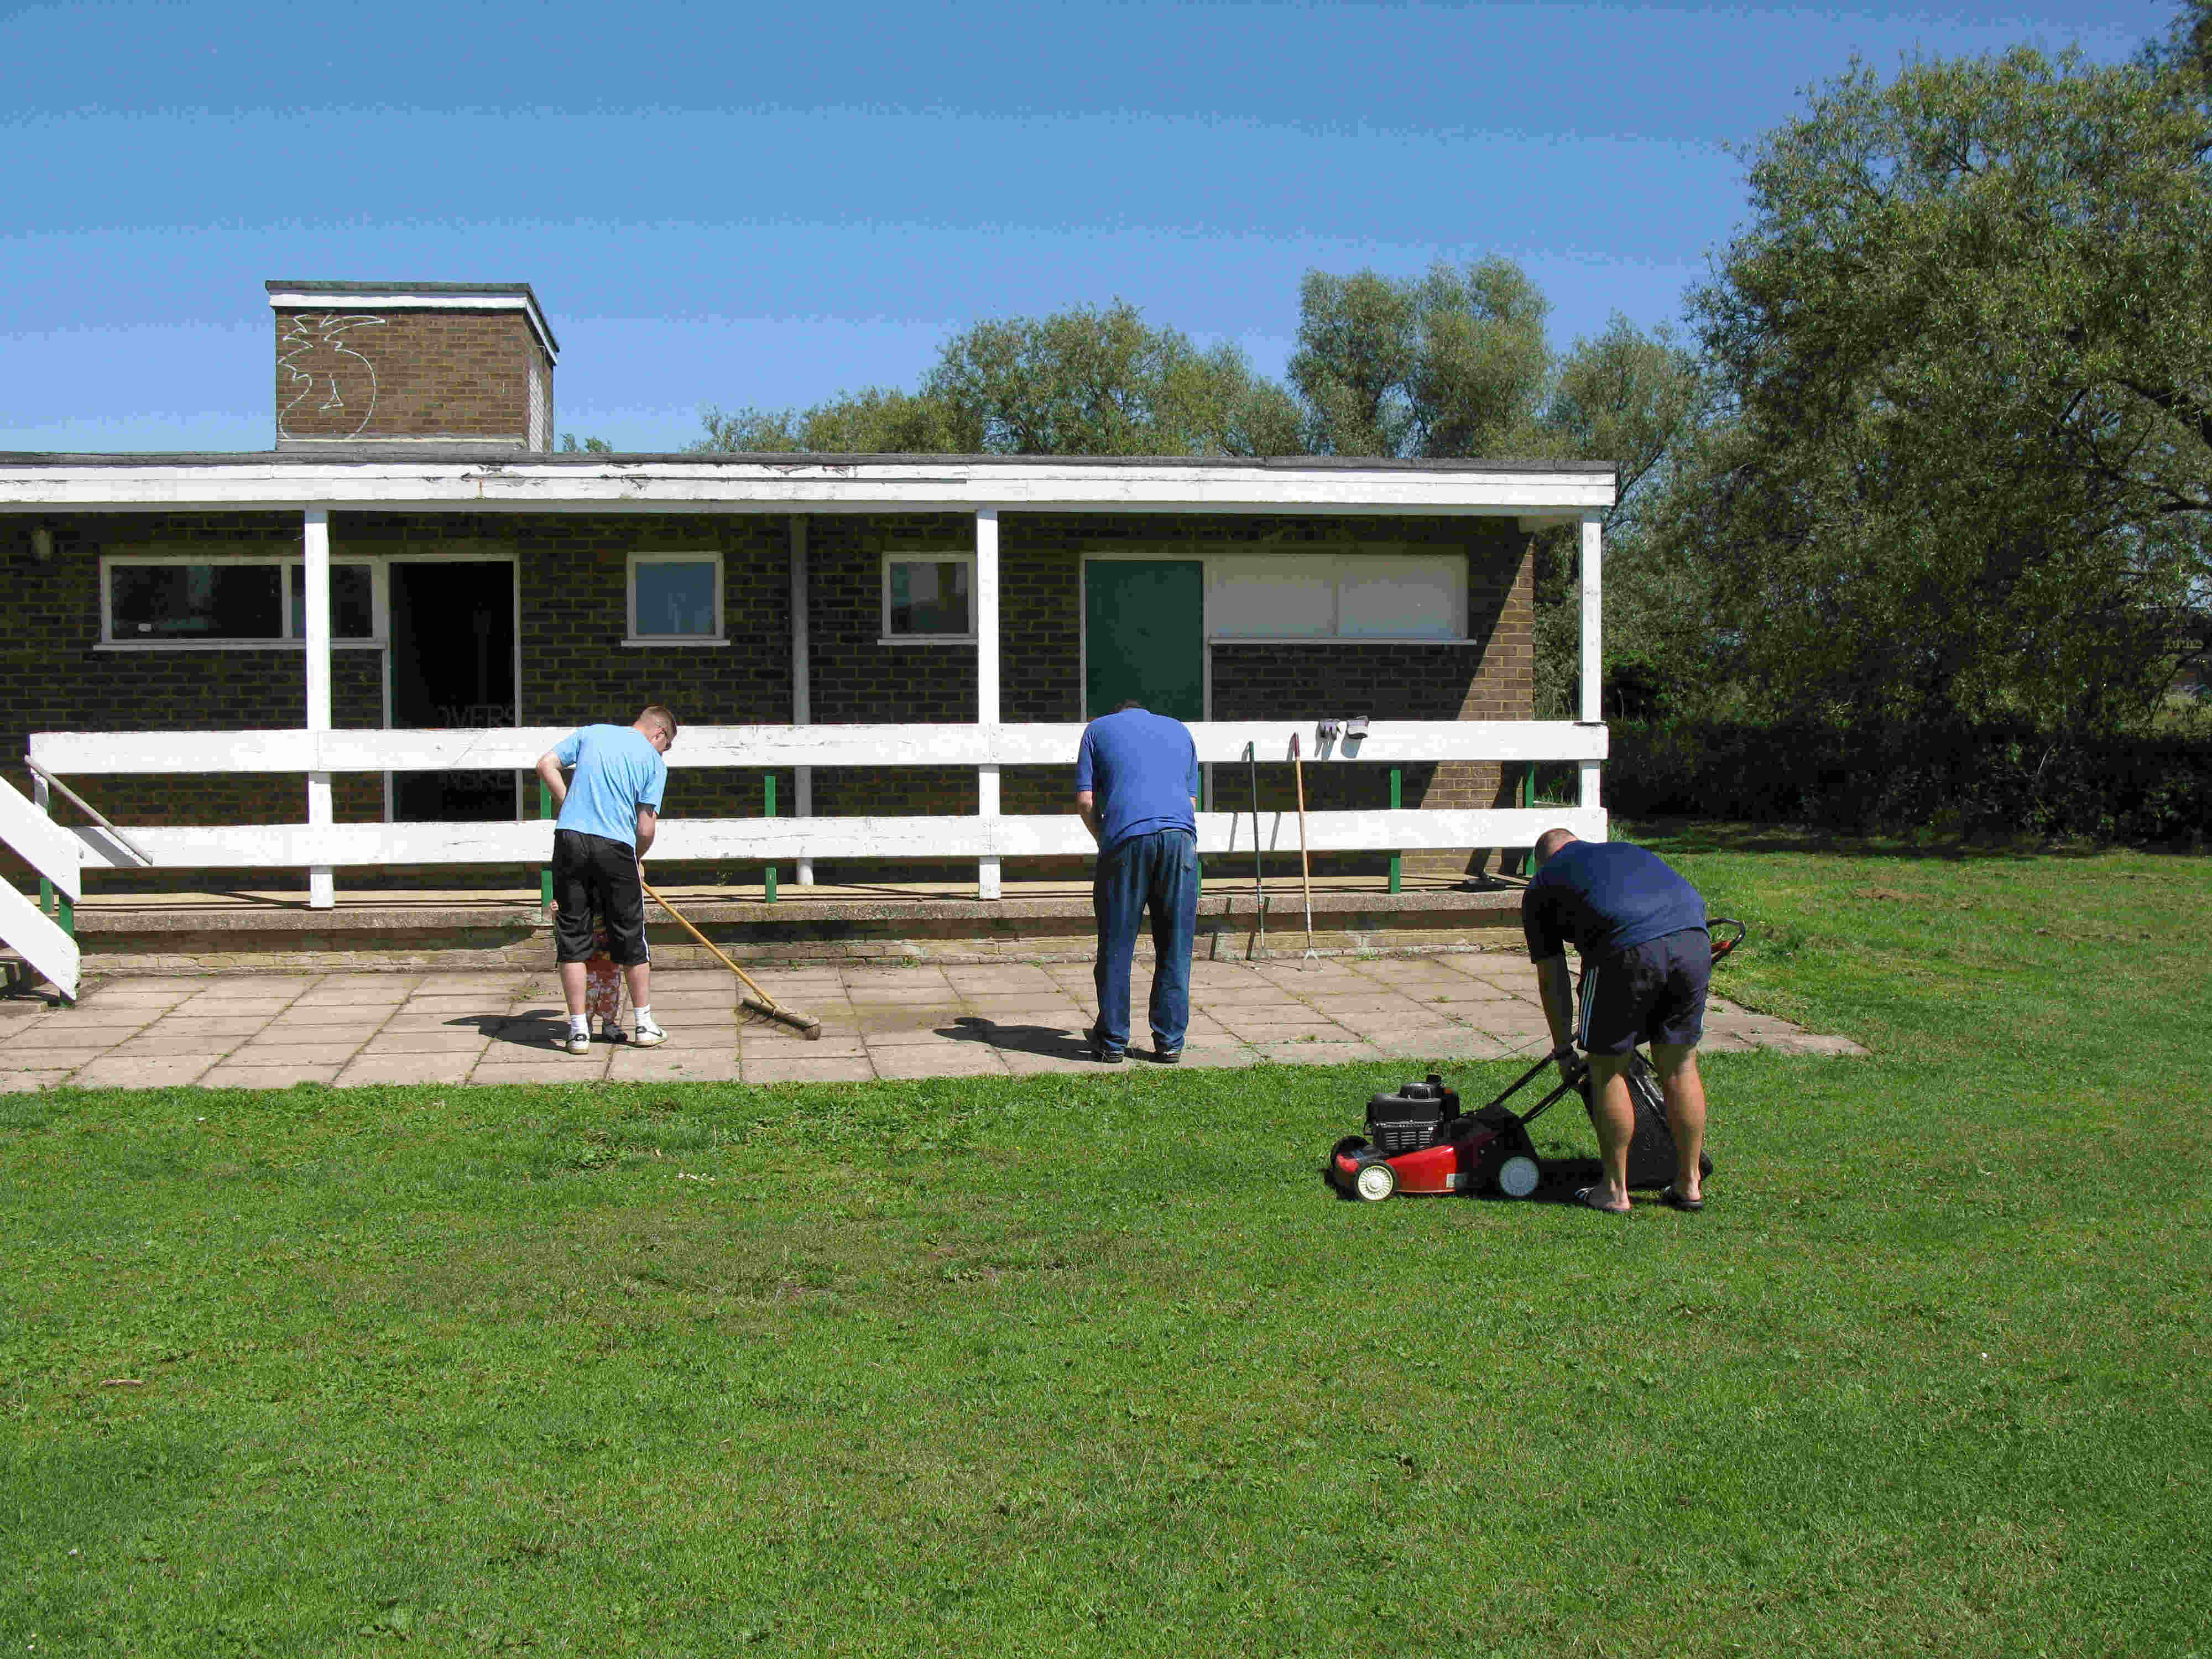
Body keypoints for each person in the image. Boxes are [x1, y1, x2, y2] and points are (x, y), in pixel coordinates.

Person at [1522, 827, 1711, 1214]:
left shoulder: (1543, 883)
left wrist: (1562, 1050)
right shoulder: (1624, 850)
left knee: (1607, 1067)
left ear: (1541, 860)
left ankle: (1614, 1190)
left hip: (1626, 948)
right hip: (1694, 937)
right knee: (1679, 1064)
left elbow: (1551, 976)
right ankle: (1689, 1183)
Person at [535, 706, 676, 1055]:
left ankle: (578, 1031)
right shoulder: (655, 763)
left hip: (569, 840)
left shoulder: (592, 732)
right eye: (667, 745)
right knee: (630, 933)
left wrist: (568, 803)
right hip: (615, 846)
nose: (664, 752)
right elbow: (645, 827)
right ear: (659, 734)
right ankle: (644, 1025)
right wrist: (637, 859)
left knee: (572, 933)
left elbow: (545, 765)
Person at [1074, 699, 1200, 1064]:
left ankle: (1112, 1042)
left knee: (1117, 944)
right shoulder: (1179, 729)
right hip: (1180, 840)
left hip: (1126, 839)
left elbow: (1085, 801)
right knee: (1175, 945)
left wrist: (1105, 838)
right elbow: (1190, 801)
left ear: (1117, 713)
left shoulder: (1097, 730)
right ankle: (1170, 1042)